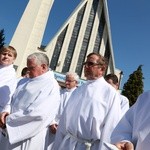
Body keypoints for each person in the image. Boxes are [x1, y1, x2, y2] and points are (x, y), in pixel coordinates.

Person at [53, 52, 122, 150]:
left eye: (90, 64)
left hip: (89, 146)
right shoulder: (78, 90)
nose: (86, 66)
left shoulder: (110, 93)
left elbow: (111, 128)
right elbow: (64, 120)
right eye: (85, 64)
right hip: (68, 144)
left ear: (102, 69)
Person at [0, 52, 60, 150]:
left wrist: (9, 121)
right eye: (27, 67)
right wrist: (6, 111)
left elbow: (39, 114)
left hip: (27, 133)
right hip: (8, 128)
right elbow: (11, 98)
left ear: (43, 67)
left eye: (31, 68)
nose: (28, 71)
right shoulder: (23, 81)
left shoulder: (51, 85)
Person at [0, 45, 17, 113]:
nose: (6, 56)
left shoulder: (10, 73)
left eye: (9, 55)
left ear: (13, 60)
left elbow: (2, 93)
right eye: (4, 54)